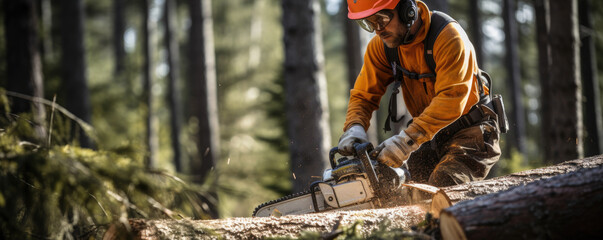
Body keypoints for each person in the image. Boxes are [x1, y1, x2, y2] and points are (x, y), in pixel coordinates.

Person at [338, 0, 504, 187]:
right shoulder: (382, 47)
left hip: (471, 132)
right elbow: (363, 95)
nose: (378, 29)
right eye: (368, 23)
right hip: (430, 135)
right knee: (405, 188)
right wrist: (355, 125)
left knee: (443, 185)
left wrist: (406, 141)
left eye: (381, 19)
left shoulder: (448, 36)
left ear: (407, 10)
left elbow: (452, 98)